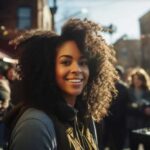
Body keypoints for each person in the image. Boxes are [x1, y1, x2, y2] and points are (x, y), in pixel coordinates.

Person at [5, 18, 118, 150]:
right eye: (66, 62)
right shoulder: (35, 125)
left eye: (82, 63)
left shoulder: (85, 118)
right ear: (49, 69)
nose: (77, 69)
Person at [100, 65, 130, 150]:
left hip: (119, 121)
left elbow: (127, 104)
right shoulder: (105, 87)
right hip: (107, 120)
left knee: (117, 144)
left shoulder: (124, 88)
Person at [127, 67, 150, 150]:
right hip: (132, 125)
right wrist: (141, 109)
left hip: (146, 125)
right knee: (133, 147)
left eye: (139, 79)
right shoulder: (128, 91)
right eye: (135, 79)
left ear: (143, 80)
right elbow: (126, 107)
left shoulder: (148, 92)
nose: (136, 81)